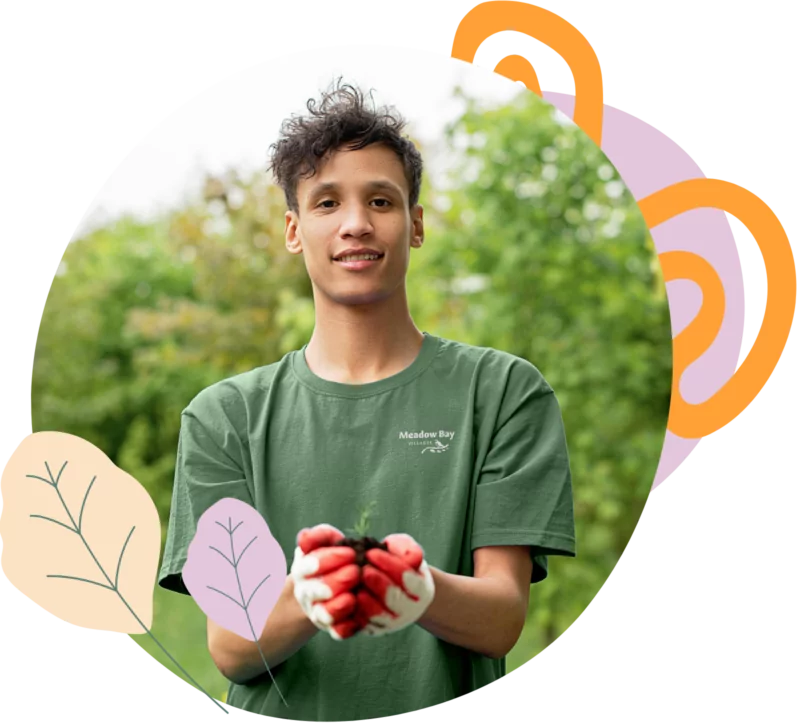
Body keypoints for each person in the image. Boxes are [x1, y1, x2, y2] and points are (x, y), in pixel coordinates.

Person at [157, 80, 576, 723]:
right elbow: (234, 647)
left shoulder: (502, 392)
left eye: (381, 200)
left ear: (416, 225)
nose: (356, 222)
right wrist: (316, 590)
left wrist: (413, 586)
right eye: (327, 202)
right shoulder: (223, 417)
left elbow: (501, 620)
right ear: (295, 230)